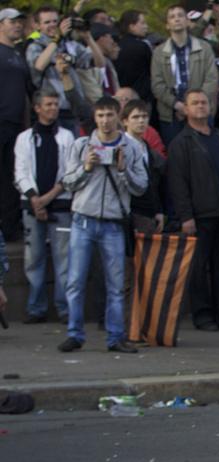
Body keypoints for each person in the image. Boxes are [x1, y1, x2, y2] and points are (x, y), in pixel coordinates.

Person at [59, 96, 148, 354]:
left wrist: (123, 170)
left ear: (117, 117)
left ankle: (115, 337)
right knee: (75, 281)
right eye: (100, 116)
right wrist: (86, 168)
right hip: (83, 220)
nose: (105, 121)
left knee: (116, 284)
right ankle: (75, 334)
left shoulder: (130, 148)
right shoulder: (81, 145)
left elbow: (141, 186)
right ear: (95, 118)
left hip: (112, 223)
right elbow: (67, 182)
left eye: (109, 115)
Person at [167, 89, 219, 332]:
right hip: (201, 215)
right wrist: (186, 216)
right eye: (195, 103)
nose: (201, 106)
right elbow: (178, 183)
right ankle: (203, 315)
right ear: (186, 109)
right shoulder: (181, 142)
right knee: (198, 269)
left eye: (204, 102)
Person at [14, 87, 73, 323]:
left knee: (64, 259)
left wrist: (49, 198)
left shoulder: (66, 137)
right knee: (33, 258)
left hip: (60, 204)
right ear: (37, 108)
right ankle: (35, 308)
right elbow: (21, 171)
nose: (52, 108)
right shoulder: (25, 138)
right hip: (32, 204)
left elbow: (70, 172)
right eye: (48, 104)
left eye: (55, 104)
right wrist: (34, 199)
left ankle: (64, 308)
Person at [150, 5, 218, 143]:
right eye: (172, 17)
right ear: (167, 25)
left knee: (205, 154)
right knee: (177, 157)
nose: (176, 19)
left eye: (180, 15)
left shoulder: (204, 48)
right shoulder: (159, 52)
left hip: (201, 111)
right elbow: (157, 85)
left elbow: (211, 79)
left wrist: (195, 105)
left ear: (187, 21)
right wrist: (179, 106)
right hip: (172, 113)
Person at [0, 7, 32, 242]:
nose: (18, 26)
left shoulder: (19, 53)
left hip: (16, 125)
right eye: (12, 21)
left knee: (11, 178)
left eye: (20, 22)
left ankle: (10, 228)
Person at [121, 98, 165, 235]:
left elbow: (155, 183)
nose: (141, 121)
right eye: (135, 117)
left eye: (144, 117)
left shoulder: (149, 150)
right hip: (125, 214)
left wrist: (158, 211)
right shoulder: (120, 146)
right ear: (125, 121)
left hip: (147, 214)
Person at [114, 10, 152, 104]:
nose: (146, 26)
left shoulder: (116, 46)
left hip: (121, 97)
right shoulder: (142, 46)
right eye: (142, 23)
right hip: (143, 97)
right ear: (131, 27)